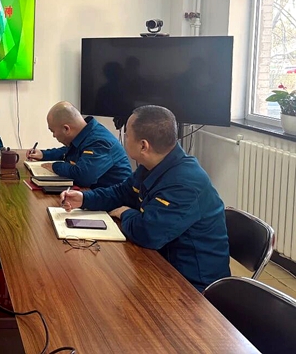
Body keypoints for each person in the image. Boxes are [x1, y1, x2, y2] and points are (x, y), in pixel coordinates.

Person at [60, 105, 230, 291]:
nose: (124, 138)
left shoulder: (185, 183)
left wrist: (125, 213)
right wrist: (84, 198)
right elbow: (121, 192)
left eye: (127, 135)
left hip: (193, 287)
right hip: (162, 263)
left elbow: (148, 233)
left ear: (143, 146)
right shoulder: (153, 165)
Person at [26, 101, 130, 188]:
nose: (54, 135)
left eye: (53, 131)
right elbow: (70, 150)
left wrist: (54, 166)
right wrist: (43, 154)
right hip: (94, 193)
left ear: (66, 129)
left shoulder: (99, 142)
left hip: (115, 202)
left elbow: (83, 176)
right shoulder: (85, 132)